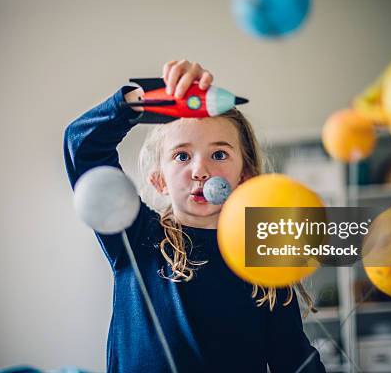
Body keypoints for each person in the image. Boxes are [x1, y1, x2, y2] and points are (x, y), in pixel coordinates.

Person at [63, 60, 326, 373]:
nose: (200, 171)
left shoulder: (265, 260)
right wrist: (144, 98)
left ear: (244, 176)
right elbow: (83, 147)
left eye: (219, 154)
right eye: (182, 156)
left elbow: (294, 360)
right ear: (159, 179)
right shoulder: (137, 236)